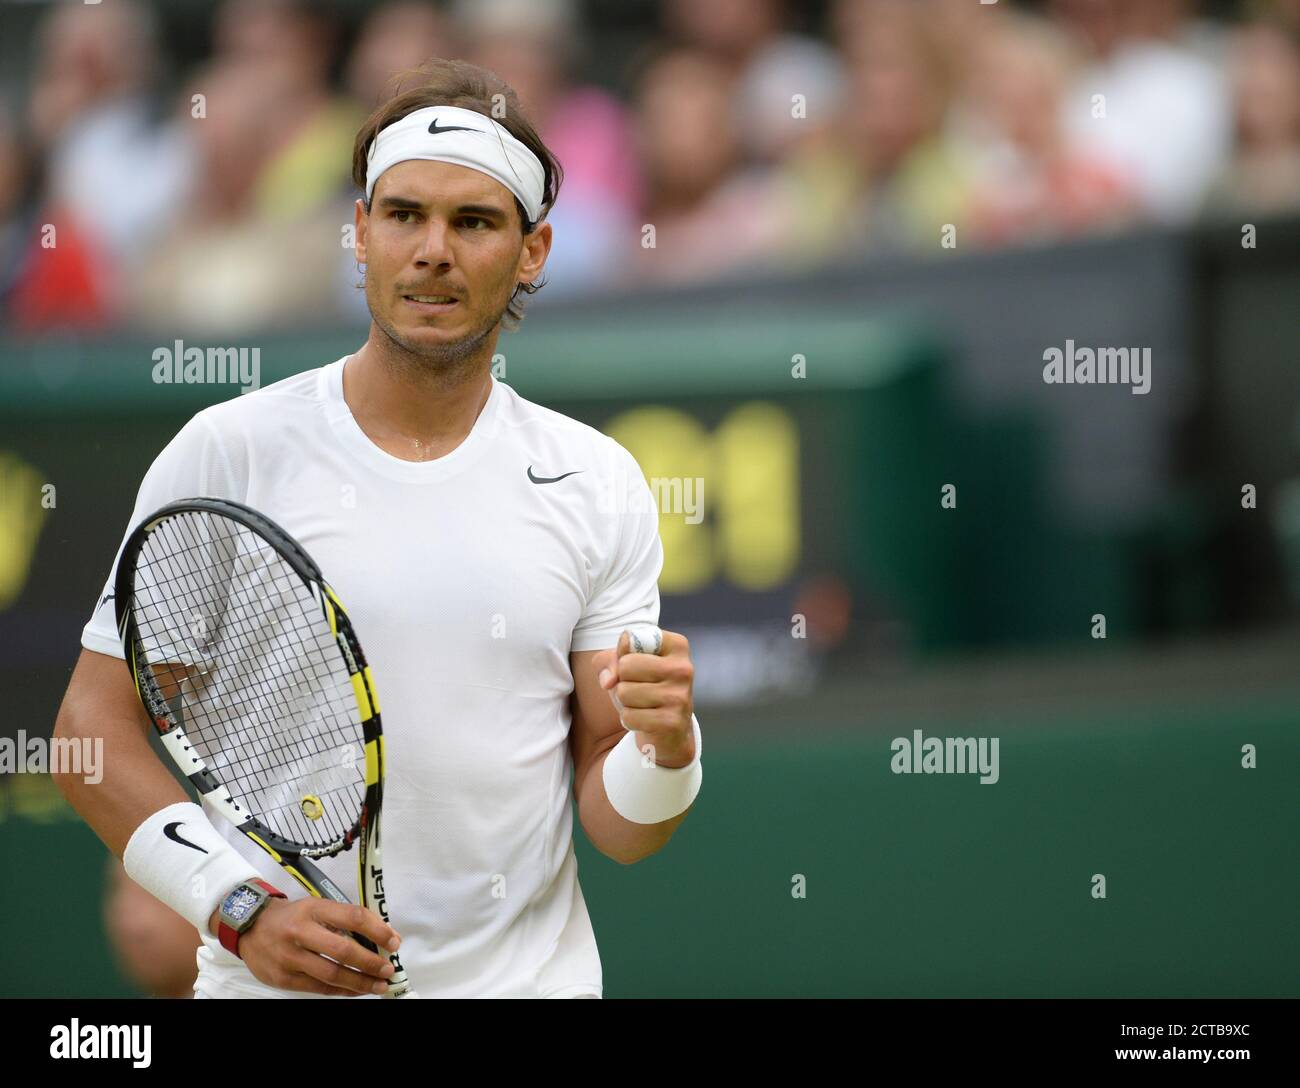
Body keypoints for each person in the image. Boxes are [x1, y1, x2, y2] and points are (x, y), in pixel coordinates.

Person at [52, 58, 703, 1000]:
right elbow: (87, 735)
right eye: (403, 215)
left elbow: (623, 826)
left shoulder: (595, 481)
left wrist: (668, 750)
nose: (432, 249)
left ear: (533, 252)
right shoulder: (226, 452)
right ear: (360, 232)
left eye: (473, 221)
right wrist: (239, 908)